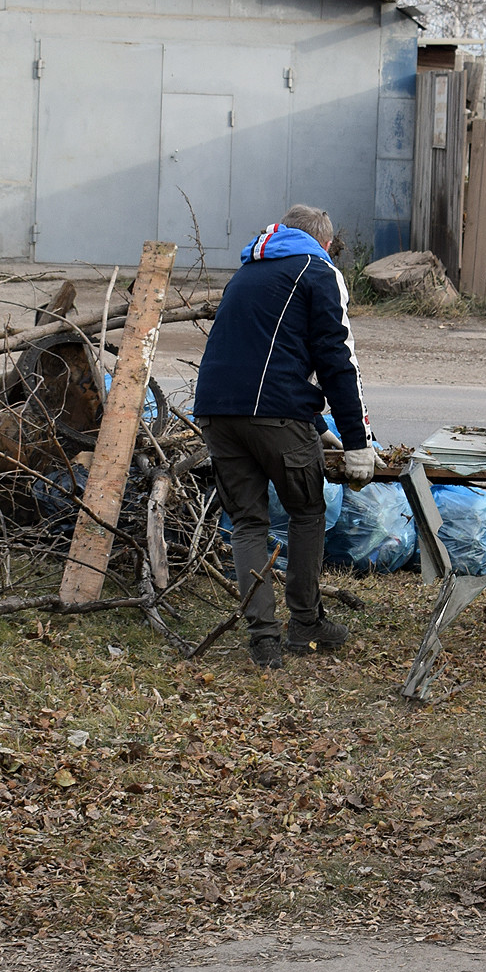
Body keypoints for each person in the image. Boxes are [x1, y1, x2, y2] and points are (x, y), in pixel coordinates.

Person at [195, 205, 378, 670]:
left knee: (249, 524)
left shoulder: (247, 272)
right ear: (327, 242)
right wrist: (358, 441)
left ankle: (263, 641)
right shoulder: (320, 271)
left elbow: (264, 354)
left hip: (216, 411)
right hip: (272, 414)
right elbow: (338, 361)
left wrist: (317, 426)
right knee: (306, 510)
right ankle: (305, 622)